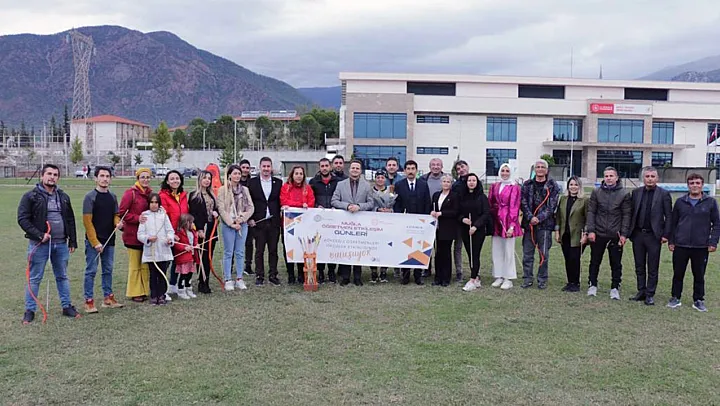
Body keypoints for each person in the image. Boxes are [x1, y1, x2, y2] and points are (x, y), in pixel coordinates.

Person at [18, 164, 80, 323]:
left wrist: (72, 240)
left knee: (62, 276)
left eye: (55, 174)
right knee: (35, 278)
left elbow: (70, 219)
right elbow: (23, 219)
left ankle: (67, 306)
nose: (52, 177)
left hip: (61, 244)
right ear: (42, 175)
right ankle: (30, 310)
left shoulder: (63, 197)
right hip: (39, 245)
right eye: (49, 174)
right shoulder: (31, 196)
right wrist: (39, 235)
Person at [667, 173, 720, 312]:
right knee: (678, 273)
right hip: (681, 245)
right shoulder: (680, 202)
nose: (695, 185)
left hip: (701, 246)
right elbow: (673, 223)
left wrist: (713, 242)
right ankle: (675, 297)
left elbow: (717, 224)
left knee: (699, 274)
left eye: (697, 183)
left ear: (702, 185)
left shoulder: (710, 202)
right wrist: (671, 241)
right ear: (688, 185)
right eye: (692, 183)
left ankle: (698, 300)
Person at [82, 166, 124, 314]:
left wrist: (118, 223)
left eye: (107, 176)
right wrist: (95, 243)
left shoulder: (112, 197)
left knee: (108, 270)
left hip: (109, 240)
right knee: (91, 271)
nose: (105, 179)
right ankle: (89, 301)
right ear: (96, 178)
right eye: (102, 176)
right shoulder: (90, 197)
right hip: (94, 242)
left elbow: (116, 215)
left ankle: (108, 298)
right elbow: (87, 222)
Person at [585, 166, 632, 300]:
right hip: (598, 232)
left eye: (611, 176)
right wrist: (591, 230)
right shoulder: (596, 192)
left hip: (615, 234)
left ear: (616, 178)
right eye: (606, 176)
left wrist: (623, 234)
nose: (609, 178)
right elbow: (591, 212)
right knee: (595, 261)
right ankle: (592, 284)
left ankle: (615, 287)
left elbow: (626, 215)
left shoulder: (624, 194)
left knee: (616, 263)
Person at [629, 167, 672, 305]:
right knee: (639, 265)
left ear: (657, 178)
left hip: (654, 235)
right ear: (643, 178)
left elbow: (669, 216)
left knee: (652, 267)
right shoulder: (636, 193)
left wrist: (666, 234)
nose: (650, 179)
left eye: (652, 176)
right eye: (647, 176)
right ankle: (641, 291)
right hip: (638, 234)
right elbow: (631, 213)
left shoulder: (664, 194)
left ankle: (650, 294)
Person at [331, 159, 375, 286]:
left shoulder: (367, 186)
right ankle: (345, 277)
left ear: (360, 171)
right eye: (353, 168)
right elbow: (334, 201)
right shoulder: (341, 185)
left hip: (360, 224)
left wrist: (359, 206)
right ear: (349, 170)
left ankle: (357, 277)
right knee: (345, 249)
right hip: (345, 223)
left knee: (358, 249)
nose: (355, 170)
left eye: (357, 168)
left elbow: (371, 203)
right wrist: (347, 206)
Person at [520, 159, 560, 290]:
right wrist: (530, 217)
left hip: (545, 226)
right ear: (534, 169)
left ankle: (542, 279)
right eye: (538, 167)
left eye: (543, 167)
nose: (540, 169)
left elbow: (552, 206)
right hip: (529, 226)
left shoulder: (552, 186)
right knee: (527, 254)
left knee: (544, 254)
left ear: (547, 170)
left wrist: (539, 218)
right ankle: (527, 278)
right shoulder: (527, 185)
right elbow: (523, 202)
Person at [394, 160, 432, 284]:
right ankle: (405, 275)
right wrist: (400, 218)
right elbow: (397, 204)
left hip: (420, 224)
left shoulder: (423, 184)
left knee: (418, 248)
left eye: (413, 168)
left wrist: (425, 220)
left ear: (416, 170)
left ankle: (418, 276)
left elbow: (427, 203)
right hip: (405, 223)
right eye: (408, 169)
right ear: (405, 171)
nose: (410, 171)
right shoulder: (399, 185)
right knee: (405, 248)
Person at [217, 164, 254, 290]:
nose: (237, 176)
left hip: (242, 224)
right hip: (229, 225)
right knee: (228, 252)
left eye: (239, 173)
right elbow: (221, 208)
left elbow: (251, 207)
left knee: (240, 252)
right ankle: (228, 279)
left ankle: (239, 278)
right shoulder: (223, 190)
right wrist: (231, 223)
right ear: (229, 175)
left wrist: (242, 219)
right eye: (235, 173)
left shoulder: (245, 190)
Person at [247, 157, 283, 286]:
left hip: (274, 222)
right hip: (258, 222)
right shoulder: (252, 183)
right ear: (260, 167)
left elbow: (281, 201)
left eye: (268, 166)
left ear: (271, 168)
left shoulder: (278, 182)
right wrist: (250, 218)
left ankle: (273, 275)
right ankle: (259, 275)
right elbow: (249, 202)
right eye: (264, 166)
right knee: (259, 250)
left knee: (273, 250)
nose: (266, 169)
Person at [119, 168, 153, 302]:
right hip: (132, 236)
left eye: (148, 177)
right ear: (138, 178)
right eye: (142, 177)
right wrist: (137, 218)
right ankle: (135, 292)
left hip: (146, 236)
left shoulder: (150, 194)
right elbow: (122, 213)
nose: (145, 180)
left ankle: (145, 290)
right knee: (135, 266)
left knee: (145, 265)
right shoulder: (130, 193)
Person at [488, 163, 521, 290]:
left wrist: (511, 226)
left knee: (508, 250)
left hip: (508, 220)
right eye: (503, 170)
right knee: (496, 249)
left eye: (507, 171)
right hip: (496, 221)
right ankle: (499, 275)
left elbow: (514, 206)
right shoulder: (494, 186)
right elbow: (490, 202)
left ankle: (508, 278)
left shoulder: (514, 187)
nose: (505, 173)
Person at [137, 193, 175, 306]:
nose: (154, 205)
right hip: (151, 251)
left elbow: (170, 230)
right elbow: (140, 234)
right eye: (152, 202)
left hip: (163, 250)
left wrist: (170, 239)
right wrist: (148, 238)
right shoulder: (144, 215)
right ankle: (154, 296)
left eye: (156, 202)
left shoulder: (164, 216)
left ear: (159, 204)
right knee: (153, 274)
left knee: (162, 274)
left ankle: (162, 295)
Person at [280, 165, 316, 284]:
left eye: (301, 174)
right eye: (296, 173)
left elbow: (311, 202)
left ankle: (301, 273)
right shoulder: (286, 187)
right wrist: (300, 204)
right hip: (288, 224)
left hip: (303, 224)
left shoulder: (308, 188)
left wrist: (297, 205)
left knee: (302, 247)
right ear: (292, 175)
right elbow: (284, 201)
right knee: (288, 248)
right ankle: (290, 274)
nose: (299, 176)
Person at [554, 176, 588, 293]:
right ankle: (569, 282)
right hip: (565, 234)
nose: (573, 187)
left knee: (575, 259)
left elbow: (588, 218)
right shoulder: (563, 199)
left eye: (576, 185)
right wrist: (557, 232)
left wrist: (585, 234)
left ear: (579, 186)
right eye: (571, 184)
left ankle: (575, 283)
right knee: (567, 258)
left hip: (577, 235)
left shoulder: (584, 200)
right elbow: (558, 217)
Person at [309, 157, 340, 283]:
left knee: (333, 245)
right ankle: (320, 271)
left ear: (330, 166)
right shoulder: (313, 182)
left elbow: (340, 197)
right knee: (319, 245)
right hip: (319, 219)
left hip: (334, 218)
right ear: (319, 167)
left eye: (326, 165)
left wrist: (336, 206)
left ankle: (331, 271)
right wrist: (316, 206)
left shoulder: (338, 182)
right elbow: (310, 198)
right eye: (322, 166)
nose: (324, 168)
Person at [159, 170, 189, 296]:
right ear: (167, 181)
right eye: (172, 179)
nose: (175, 181)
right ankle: (162, 289)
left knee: (178, 260)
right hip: (168, 234)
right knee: (166, 262)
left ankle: (173, 285)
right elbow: (163, 217)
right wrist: (171, 234)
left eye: (177, 178)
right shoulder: (163, 196)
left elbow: (186, 213)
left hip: (181, 233)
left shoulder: (183, 195)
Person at [188, 170, 219, 294]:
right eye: (204, 178)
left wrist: (216, 213)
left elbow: (215, 208)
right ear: (199, 179)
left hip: (211, 230)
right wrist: (199, 229)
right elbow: (194, 214)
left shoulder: (212, 195)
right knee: (201, 257)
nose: (207, 180)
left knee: (209, 257)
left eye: (209, 178)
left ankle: (206, 281)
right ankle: (202, 282)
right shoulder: (194, 195)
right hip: (201, 230)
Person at [459, 173, 490, 292]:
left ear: (477, 182)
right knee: (469, 254)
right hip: (465, 229)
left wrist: (476, 226)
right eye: (469, 180)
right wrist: (463, 219)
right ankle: (476, 277)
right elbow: (458, 212)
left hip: (478, 230)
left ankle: (472, 279)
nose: (471, 182)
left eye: (474, 180)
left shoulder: (482, 197)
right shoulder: (462, 196)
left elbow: (486, 214)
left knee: (475, 254)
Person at [430, 174, 459, 287]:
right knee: (438, 253)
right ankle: (438, 277)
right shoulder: (436, 195)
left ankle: (446, 278)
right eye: (444, 181)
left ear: (451, 184)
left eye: (448, 182)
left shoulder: (454, 196)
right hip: (437, 228)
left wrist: (442, 213)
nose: (446, 184)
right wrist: (432, 212)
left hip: (448, 228)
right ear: (441, 183)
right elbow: (432, 207)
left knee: (446, 253)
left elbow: (455, 211)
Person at [451, 159, 472, 282]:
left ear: (467, 167)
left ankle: (474, 271)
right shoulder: (456, 185)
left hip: (471, 220)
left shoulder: (474, 181)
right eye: (458, 169)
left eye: (462, 167)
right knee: (458, 247)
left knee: (472, 247)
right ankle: (459, 272)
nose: (461, 170)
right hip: (459, 220)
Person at [370, 169, 392, 283]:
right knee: (373, 247)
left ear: (385, 179)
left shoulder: (390, 191)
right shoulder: (370, 191)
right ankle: (373, 271)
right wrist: (377, 209)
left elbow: (394, 205)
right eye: (378, 177)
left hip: (386, 223)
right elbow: (368, 204)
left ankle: (384, 271)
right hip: (373, 223)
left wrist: (390, 210)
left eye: (382, 177)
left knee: (385, 247)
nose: (380, 179)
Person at [173, 213, 199, 299]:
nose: (193, 224)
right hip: (184, 258)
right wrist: (184, 248)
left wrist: (196, 245)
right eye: (191, 222)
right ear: (186, 223)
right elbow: (176, 244)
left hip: (192, 257)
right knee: (183, 274)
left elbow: (194, 241)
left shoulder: (193, 232)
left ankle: (189, 289)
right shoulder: (179, 232)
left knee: (190, 274)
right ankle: (181, 290)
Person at [239, 159, 255, 276]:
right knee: (234, 243)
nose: (245, 170)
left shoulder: (252, 183)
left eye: (247, 168)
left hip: (248, 217)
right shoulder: (233, 181)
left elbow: (253, 202)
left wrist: (250, 217)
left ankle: (248, 265)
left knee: (249, 243)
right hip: (235, 217)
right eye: (243, 167)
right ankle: (232, 264)